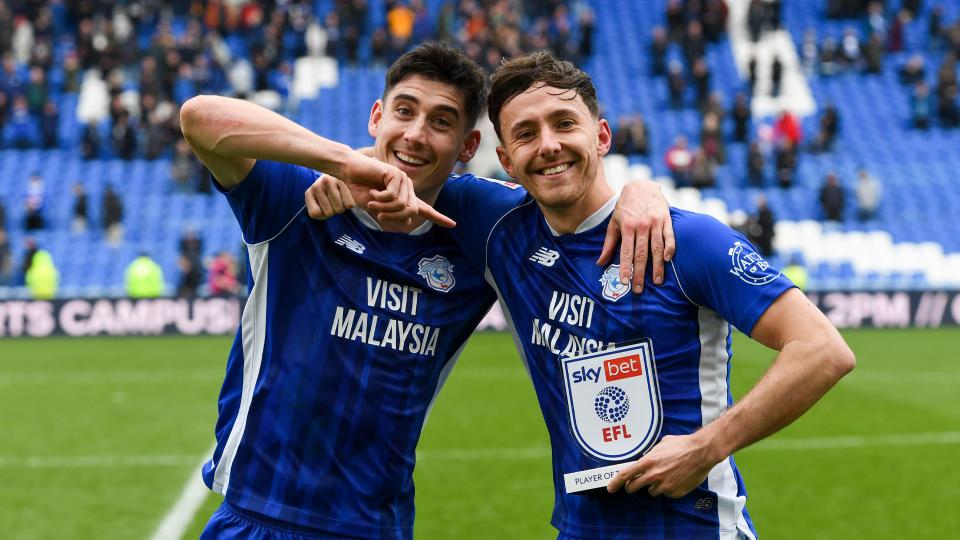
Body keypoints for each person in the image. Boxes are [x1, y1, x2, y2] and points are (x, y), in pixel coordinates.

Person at [313, 51, 855, 539]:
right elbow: (408, 161)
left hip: (693, 528)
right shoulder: (498, 229)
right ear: (505, 160)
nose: (547, 145)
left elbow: (823, 350)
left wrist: (708, 446)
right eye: (525, 134)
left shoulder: (689, 240)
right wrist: (338, 171)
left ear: (601, 136)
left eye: (564, 124)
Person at [182, 43, 673, 539]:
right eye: (404, 111)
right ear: (377, 116)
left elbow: (573, 203)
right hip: (258, 515)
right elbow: (200, 116)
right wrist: (342, 163)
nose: (416, 134)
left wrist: (640, 191)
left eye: (441, 122)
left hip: (377, 526)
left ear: (466, 147)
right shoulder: (295, 199)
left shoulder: (477, 229)